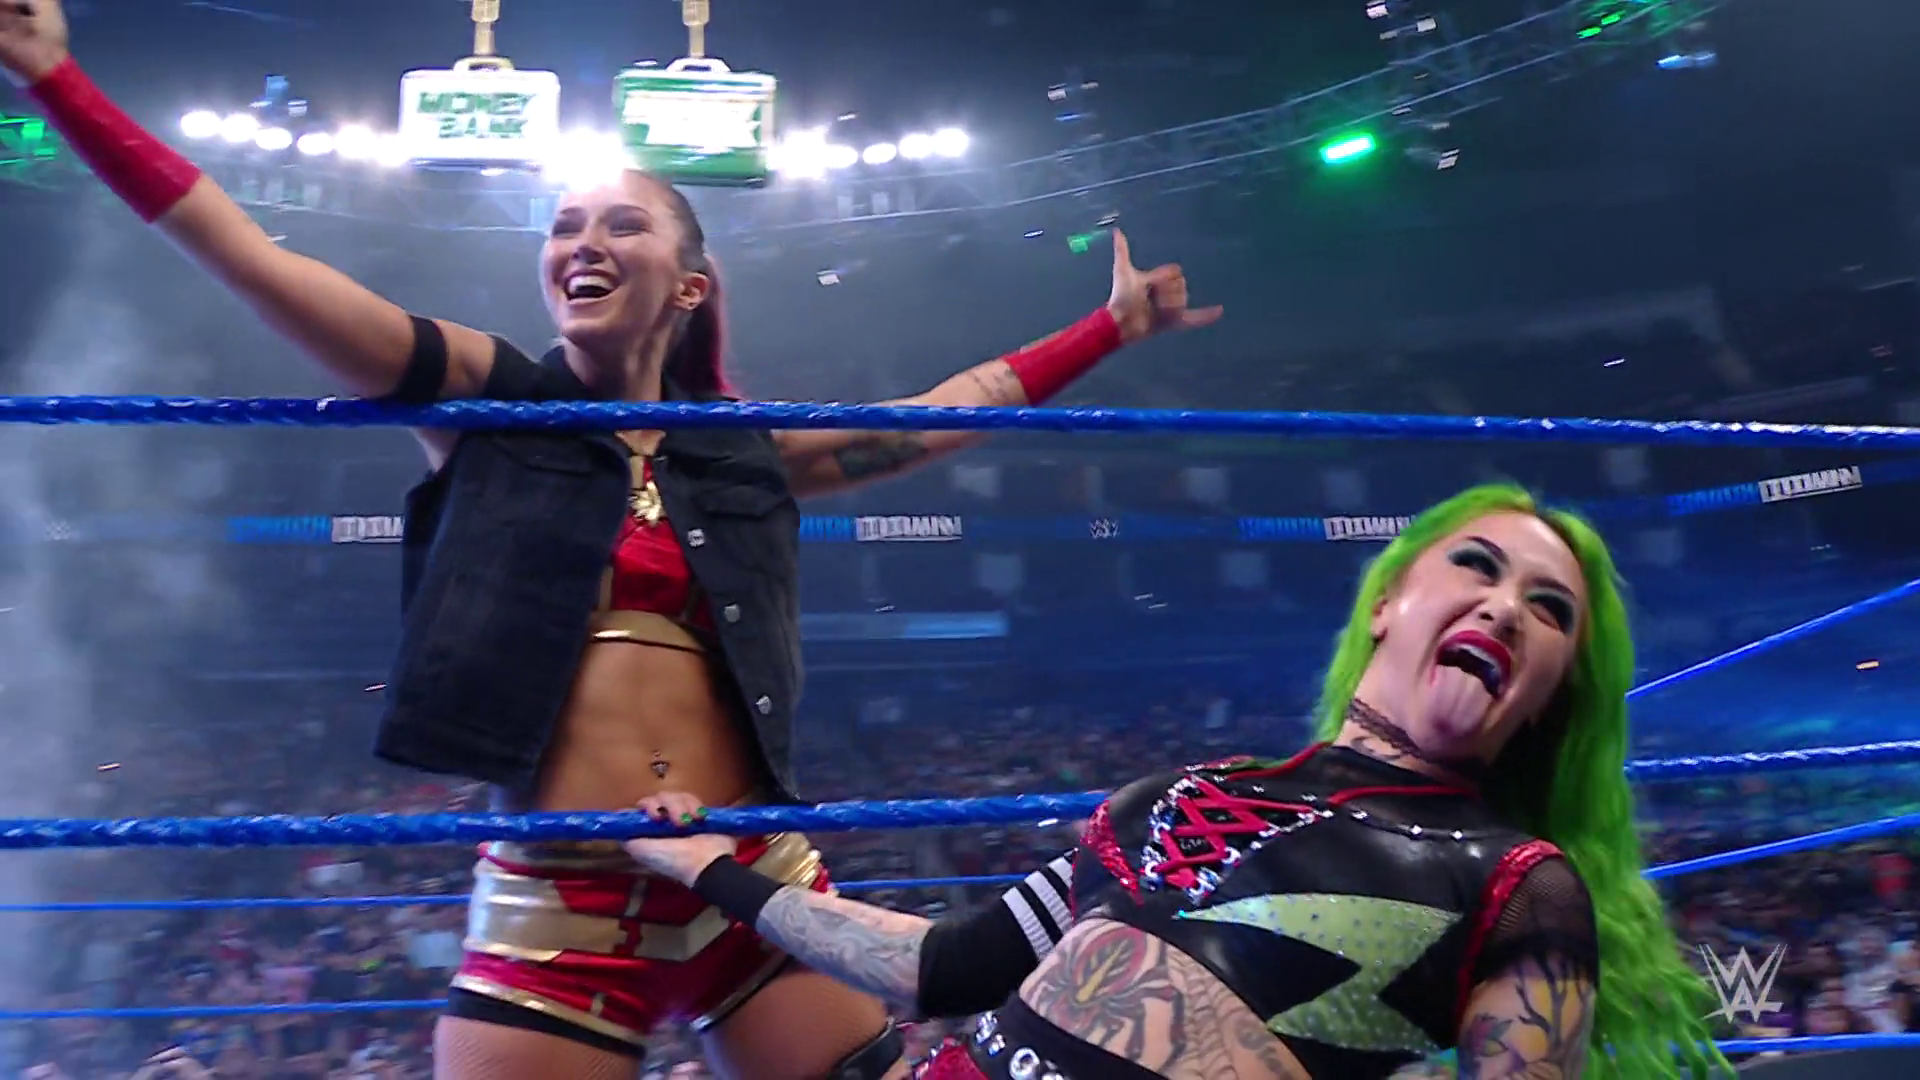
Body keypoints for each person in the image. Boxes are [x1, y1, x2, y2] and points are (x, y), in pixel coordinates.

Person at [0, 5, 1221, 1080]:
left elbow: (934, 417)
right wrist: (58, 80)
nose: (580, 241)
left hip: (752, 878)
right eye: (563, 224)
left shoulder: (740, 448)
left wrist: (1105, 331)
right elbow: (250, 255)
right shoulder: (486, 402)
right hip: (559, 900)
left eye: (621, 224)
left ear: (688, 284)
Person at [622, 485, 1729, 1079]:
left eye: (1549, 610)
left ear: (1548, 694)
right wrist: (716, 870)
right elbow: (946, 967)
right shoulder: (1180, 794)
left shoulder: (1519, 882)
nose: (1505, 608)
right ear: (1389, 601)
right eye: (1478, 567)